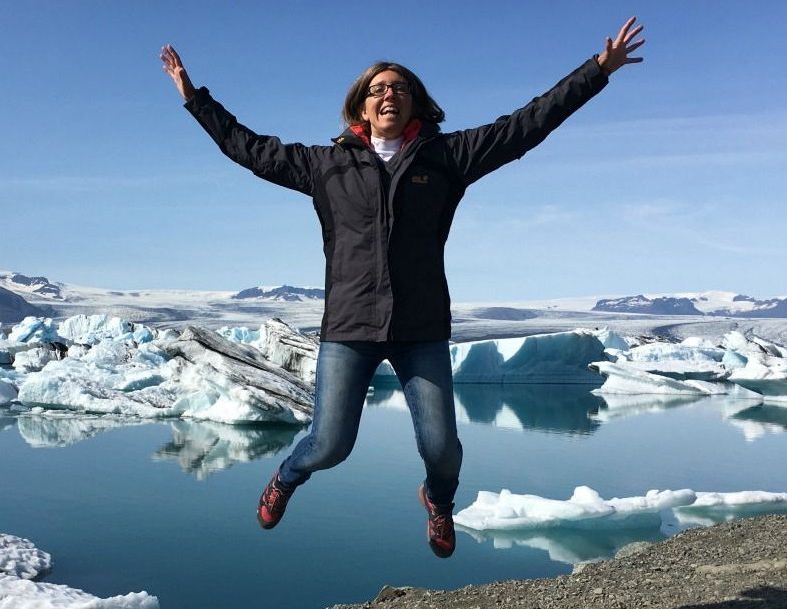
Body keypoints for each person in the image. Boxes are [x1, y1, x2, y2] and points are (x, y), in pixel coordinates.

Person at [160, 18, 644, 558]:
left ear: (415, 103)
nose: (389, 94)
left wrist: (598, 71)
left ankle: (438, 499)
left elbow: (526, 124)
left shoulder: (447, 158)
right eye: (378, 89)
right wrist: (194, 99)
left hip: (419, 326)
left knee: (443, 450)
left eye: (399, 87)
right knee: (329, 445)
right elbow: (248, 149)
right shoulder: (326, 165)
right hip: (350, 325)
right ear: (361, 107)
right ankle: (287, 477)